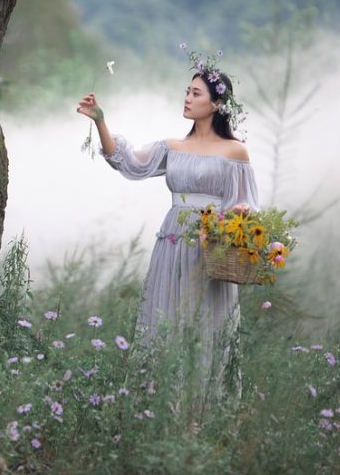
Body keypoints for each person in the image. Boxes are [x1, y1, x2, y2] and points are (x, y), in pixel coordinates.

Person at [76, 66, 258, 405]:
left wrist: (234, 216)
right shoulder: (172, 147)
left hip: (212, 249)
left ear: (217, 104)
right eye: (187, 91)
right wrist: (100, 120)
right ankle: (158, 406)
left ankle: (202, 411)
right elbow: (126, 160)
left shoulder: (235, 152)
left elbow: (247, 206)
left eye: (196, 93)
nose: (187, 98)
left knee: (208, 325)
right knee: (166, 320)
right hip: (173, 246)